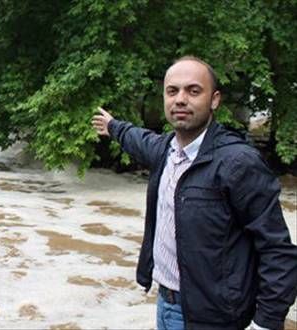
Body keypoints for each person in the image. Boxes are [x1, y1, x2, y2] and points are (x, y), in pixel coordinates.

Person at [91, 56, 297, 330]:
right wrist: (114, 127)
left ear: (214, 100)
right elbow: (139, 140)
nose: (180, 99)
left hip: (214, 318)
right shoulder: (165, 150)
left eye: (193, 90)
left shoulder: (238, 163)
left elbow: (277, 249)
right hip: (166, 304)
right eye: (172, 91)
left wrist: (265, 323)